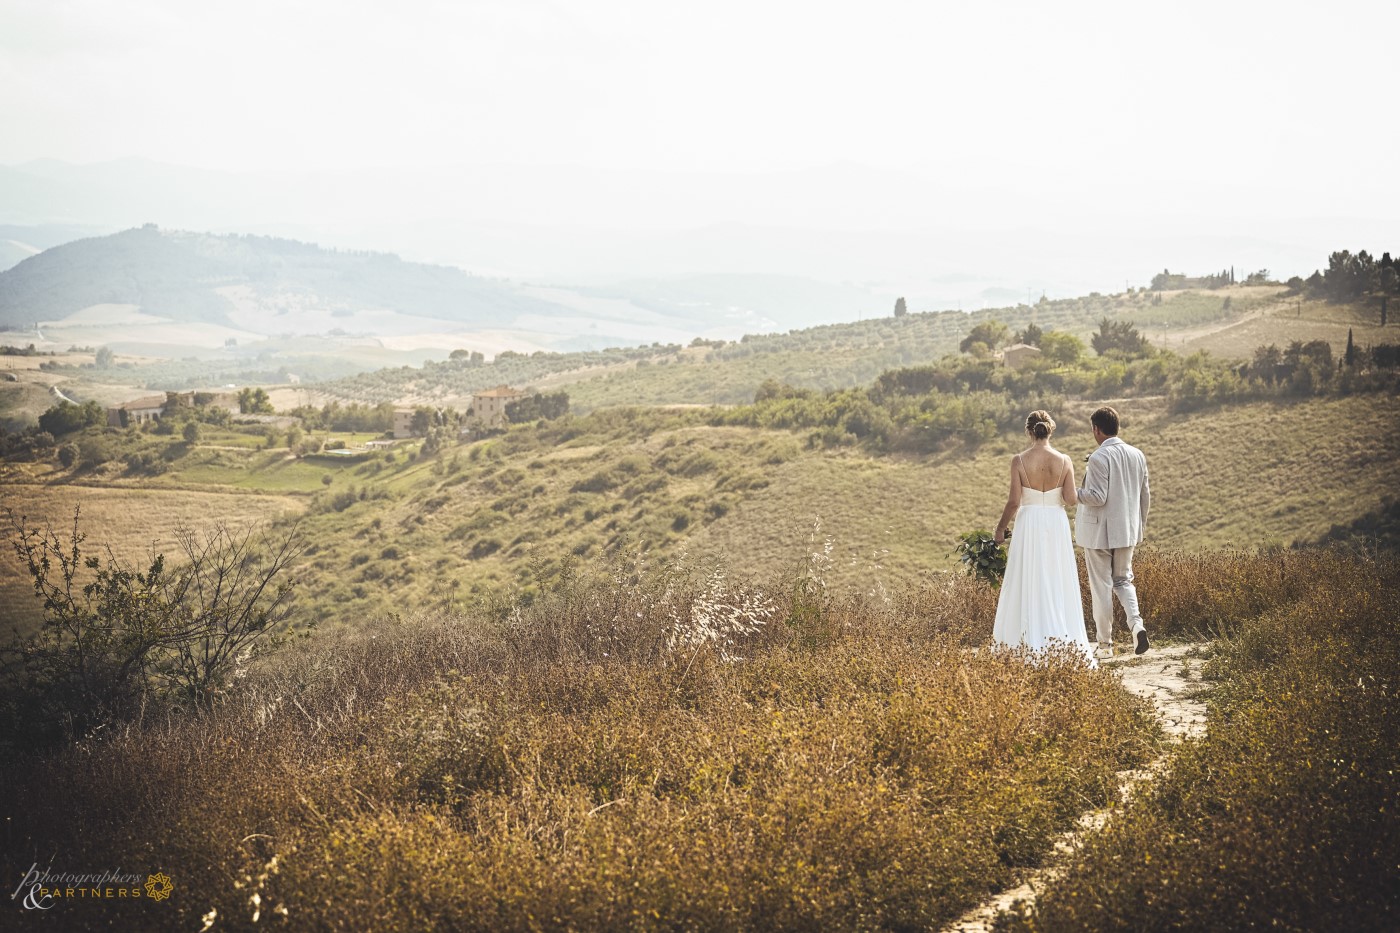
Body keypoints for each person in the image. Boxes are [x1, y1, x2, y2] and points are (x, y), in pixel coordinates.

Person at [991, 410, 1095, 665]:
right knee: (1056, 577)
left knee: (1027, 577)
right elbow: (1071, 499)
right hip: (1055, 522)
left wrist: (1000, 528)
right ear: (1051, 429)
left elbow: (1014, 501)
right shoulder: (1065, 460)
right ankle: (1060, 640)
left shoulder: (1019, 460)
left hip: (1029, 522)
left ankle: (1024, 642)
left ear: (1029, 431)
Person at [1075, 406, 1151, 658]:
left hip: (1099, 535)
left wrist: (1072, 493)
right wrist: (1138, 526)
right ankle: (1136, 625)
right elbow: (1145, 496)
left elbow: (1097, 497)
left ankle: (1105, 646)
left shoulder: (1099, 457)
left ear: (1096, 429)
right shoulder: (1137, 455)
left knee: (1102, 587)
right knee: (1123, 581)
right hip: (1127, 531)